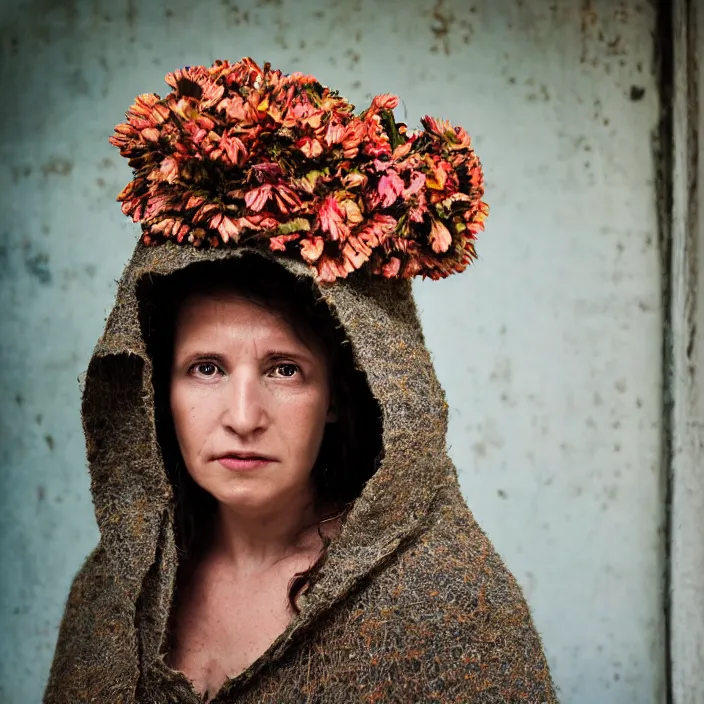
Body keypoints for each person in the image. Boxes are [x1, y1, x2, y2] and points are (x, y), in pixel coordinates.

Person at [45, 57, 557, 703]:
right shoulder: (115, 589)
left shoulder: (446, 598)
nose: (243, 415)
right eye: (206, 369)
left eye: (284, 370)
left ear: (342, 396)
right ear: (154, 390)